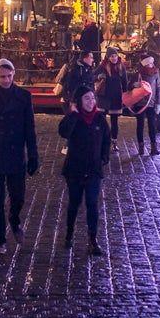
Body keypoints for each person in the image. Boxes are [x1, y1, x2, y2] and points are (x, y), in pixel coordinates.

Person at [0, 59, 38, 254]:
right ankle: (0, 240)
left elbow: (30, 128)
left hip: (15, 153)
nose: (6, 80)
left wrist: (33, 155)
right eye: (2, 77)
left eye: (10, 76)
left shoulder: (24, 96)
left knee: (18, 197)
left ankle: (14, 218)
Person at [59, 85, 110, 255]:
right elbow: (64, 132)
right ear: (79, 101)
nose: (91, 101)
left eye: (92, 98)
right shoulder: (74, 118)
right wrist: (72, 114)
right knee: (74, 203)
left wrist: (104, 158)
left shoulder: (100, 119)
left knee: (92, 203)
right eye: (86, 98)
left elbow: (106, 140)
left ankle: (92, 239)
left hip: (94, 170)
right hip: (74, 169)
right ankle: (69, 234)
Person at [132, 55, 160, 157]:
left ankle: (154, 147)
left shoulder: (156, 73)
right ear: (145, 64)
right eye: (149, 63)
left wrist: (159, 103)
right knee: (140, 125)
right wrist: (134, 85)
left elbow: (158, 88)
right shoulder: (139, 73)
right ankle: (141, 147)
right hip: (140, 102)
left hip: (151, 103)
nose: (151, 64)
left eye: (152, 63)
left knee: (152, 125)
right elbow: (130, 86)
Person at [97, 47, 128, 140]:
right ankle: (102, 139)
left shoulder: (121, 66)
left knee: (114, 121)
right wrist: (99, 76)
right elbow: (93, 75)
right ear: (108, 57)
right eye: (111, 56)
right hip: (104, 97)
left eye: (115, 56)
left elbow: (124, 81)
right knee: (102, 121)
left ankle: (114, 141)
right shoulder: (103, 66)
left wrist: (125, 95)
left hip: (116, 97)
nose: (114, 58)